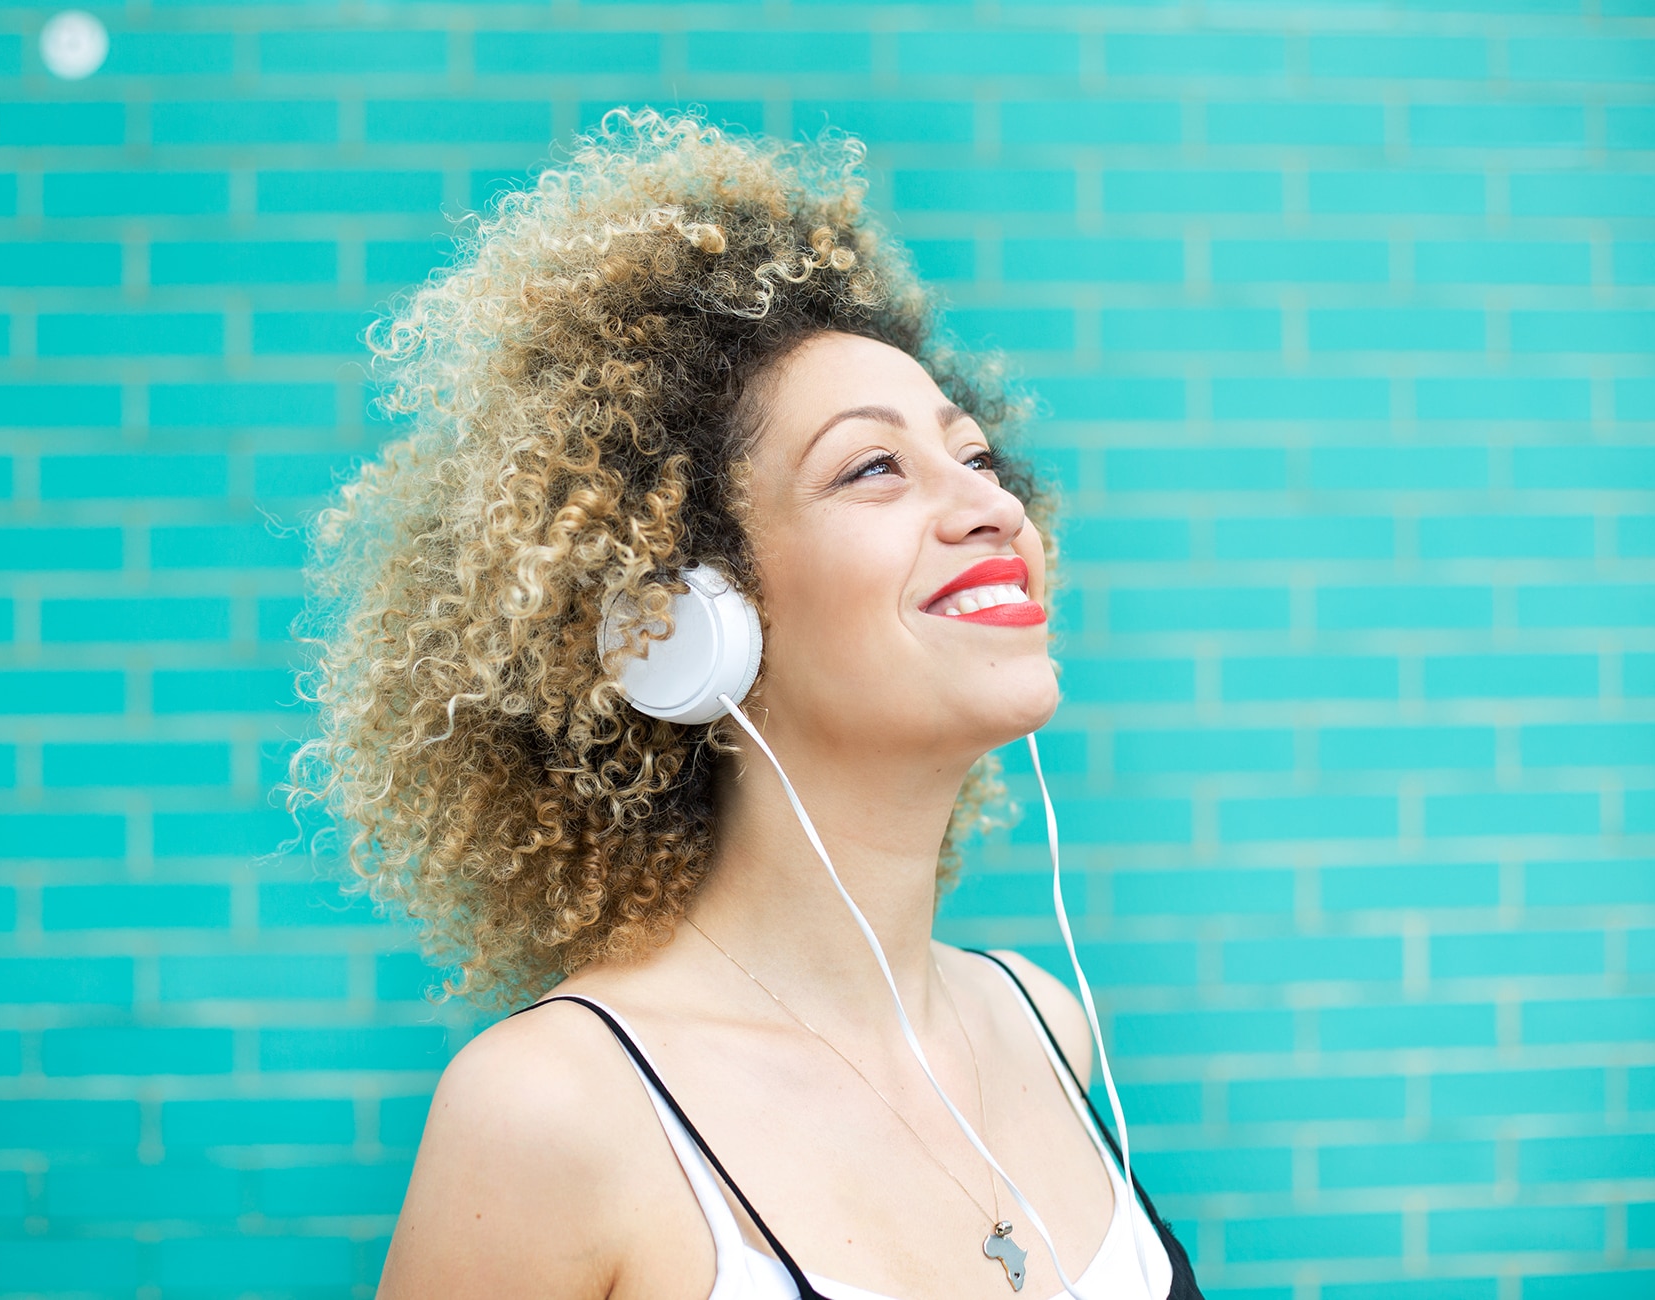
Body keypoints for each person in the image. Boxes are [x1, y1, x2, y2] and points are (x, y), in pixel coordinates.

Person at [292, 110, 1200, 1300]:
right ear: (683, 625)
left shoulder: (1040, 1019)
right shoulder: (556, 1113)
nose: (991, 509)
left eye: (975, 459)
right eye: (871, 466)